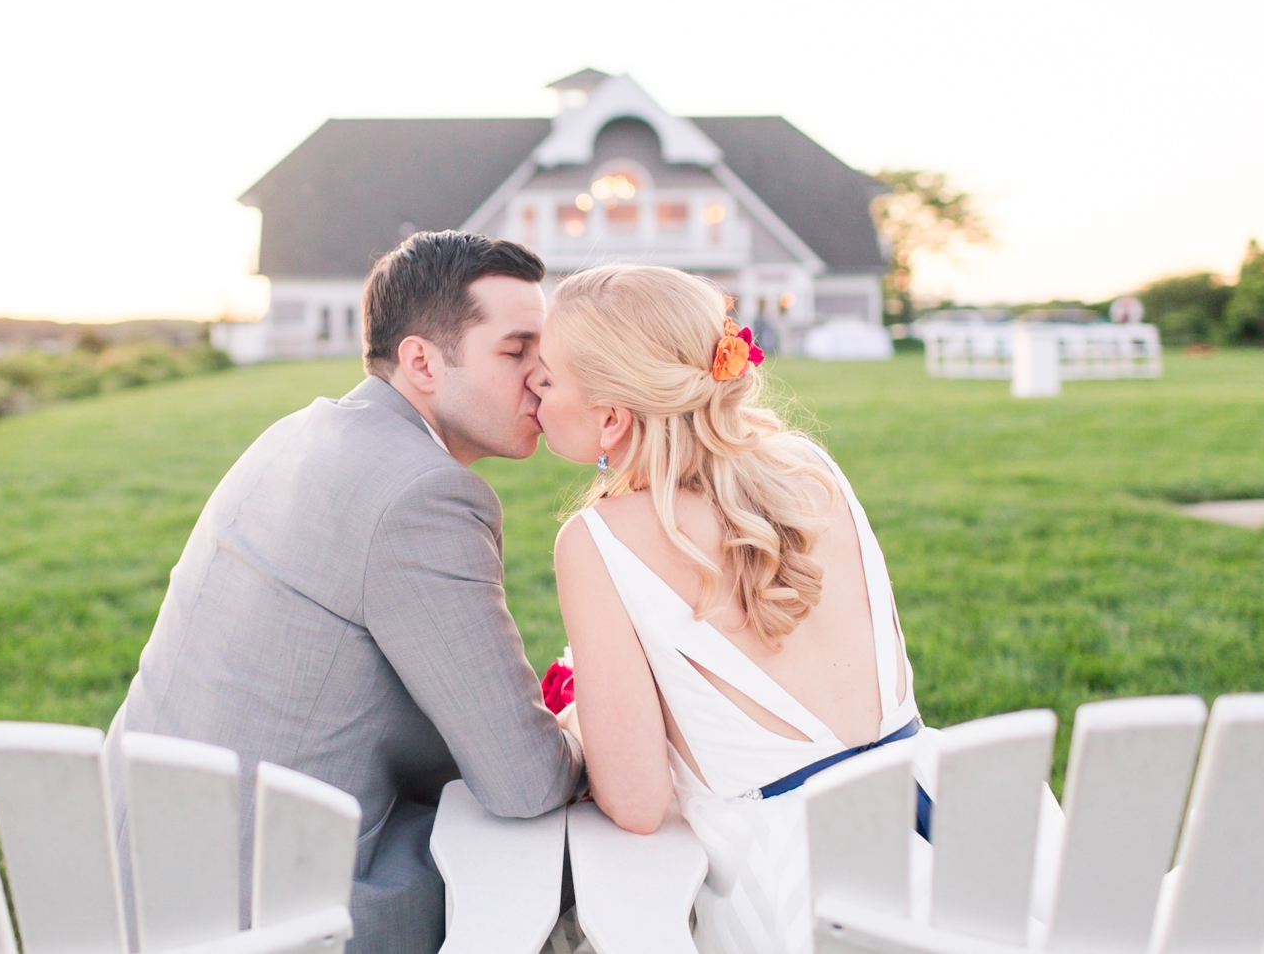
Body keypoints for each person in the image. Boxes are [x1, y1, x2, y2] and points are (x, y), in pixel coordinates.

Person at [104, 231, 585, 954]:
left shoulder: (297, 434)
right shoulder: (424, 493)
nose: (542, 379)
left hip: (130, 874)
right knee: (590, 862)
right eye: (516, 352)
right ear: (421, 360)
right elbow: (524, 781)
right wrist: (583, 727)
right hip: (276, 909)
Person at [533, 264, 921, 954]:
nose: (534, 386)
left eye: (549, 375)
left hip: (797, 883)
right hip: (936, 825)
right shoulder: (810, 471)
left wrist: (578, 722)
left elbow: (638, 801)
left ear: (612, 417)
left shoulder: (596, 539)